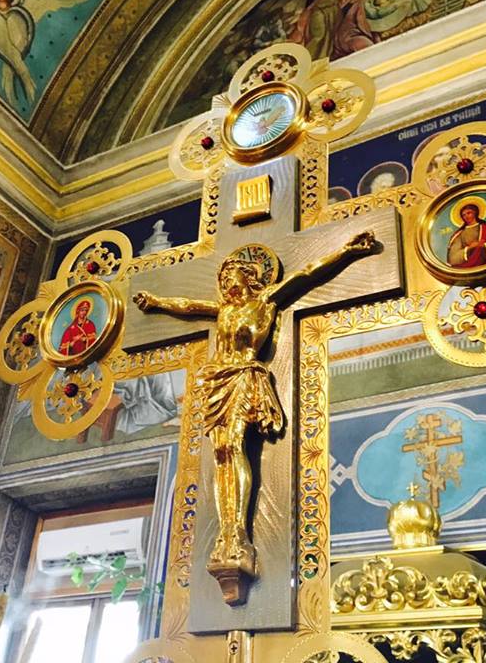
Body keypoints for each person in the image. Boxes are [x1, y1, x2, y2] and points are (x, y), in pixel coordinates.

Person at [133, 231, 377, 601]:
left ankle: (239, 534)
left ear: (248, 279)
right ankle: (227, 529)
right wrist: (154, 302)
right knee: (220, 453)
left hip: (246, 376)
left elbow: (306, 273)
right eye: (223, 280)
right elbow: (186, 305)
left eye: (231, 278)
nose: (226, 285)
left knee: (234, 446)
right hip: (219, 379)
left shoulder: (264, 302)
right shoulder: (223, 310)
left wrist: (345, 250)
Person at [446, 203, 486, 268]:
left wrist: (484, 246)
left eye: (469, 213)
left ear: (475, 213)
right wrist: (470, 248)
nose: (466, 216)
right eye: (463, 215)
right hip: (467, 268)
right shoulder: (459, 234)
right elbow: (452, 258)